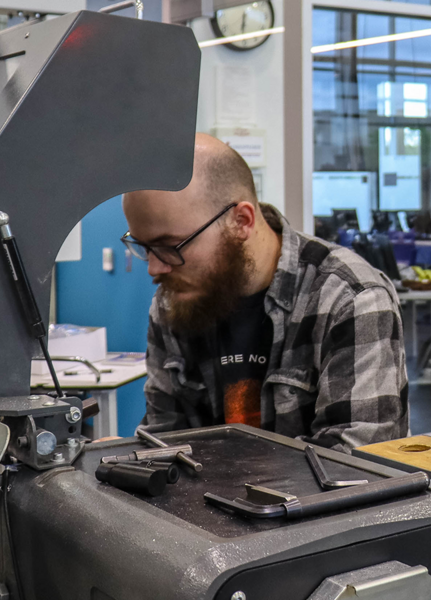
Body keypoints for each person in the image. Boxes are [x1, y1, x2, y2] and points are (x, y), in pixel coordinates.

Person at [121, 133, 408, 453]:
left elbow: (353, 466)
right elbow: (163, 442)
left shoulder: (349, 297)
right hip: (206, 501)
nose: (155, 269)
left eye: (170, 247)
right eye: (144, 248)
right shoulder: (174, 301)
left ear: (241, 221)